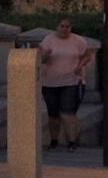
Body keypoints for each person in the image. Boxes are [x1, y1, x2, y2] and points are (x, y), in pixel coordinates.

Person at [39, 19, 91, 152]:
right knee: (53, 114)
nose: (64, 29)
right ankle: (54, 140)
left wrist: (80, 65)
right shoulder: (48, 40)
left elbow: (87, 56)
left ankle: (72, 141)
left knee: (68, 112)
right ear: (57, 27)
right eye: (62, 26)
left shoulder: (78, 41)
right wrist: (45, 54)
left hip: (72, 81)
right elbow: (42, 59)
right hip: (50, 82)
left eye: (67, 26)